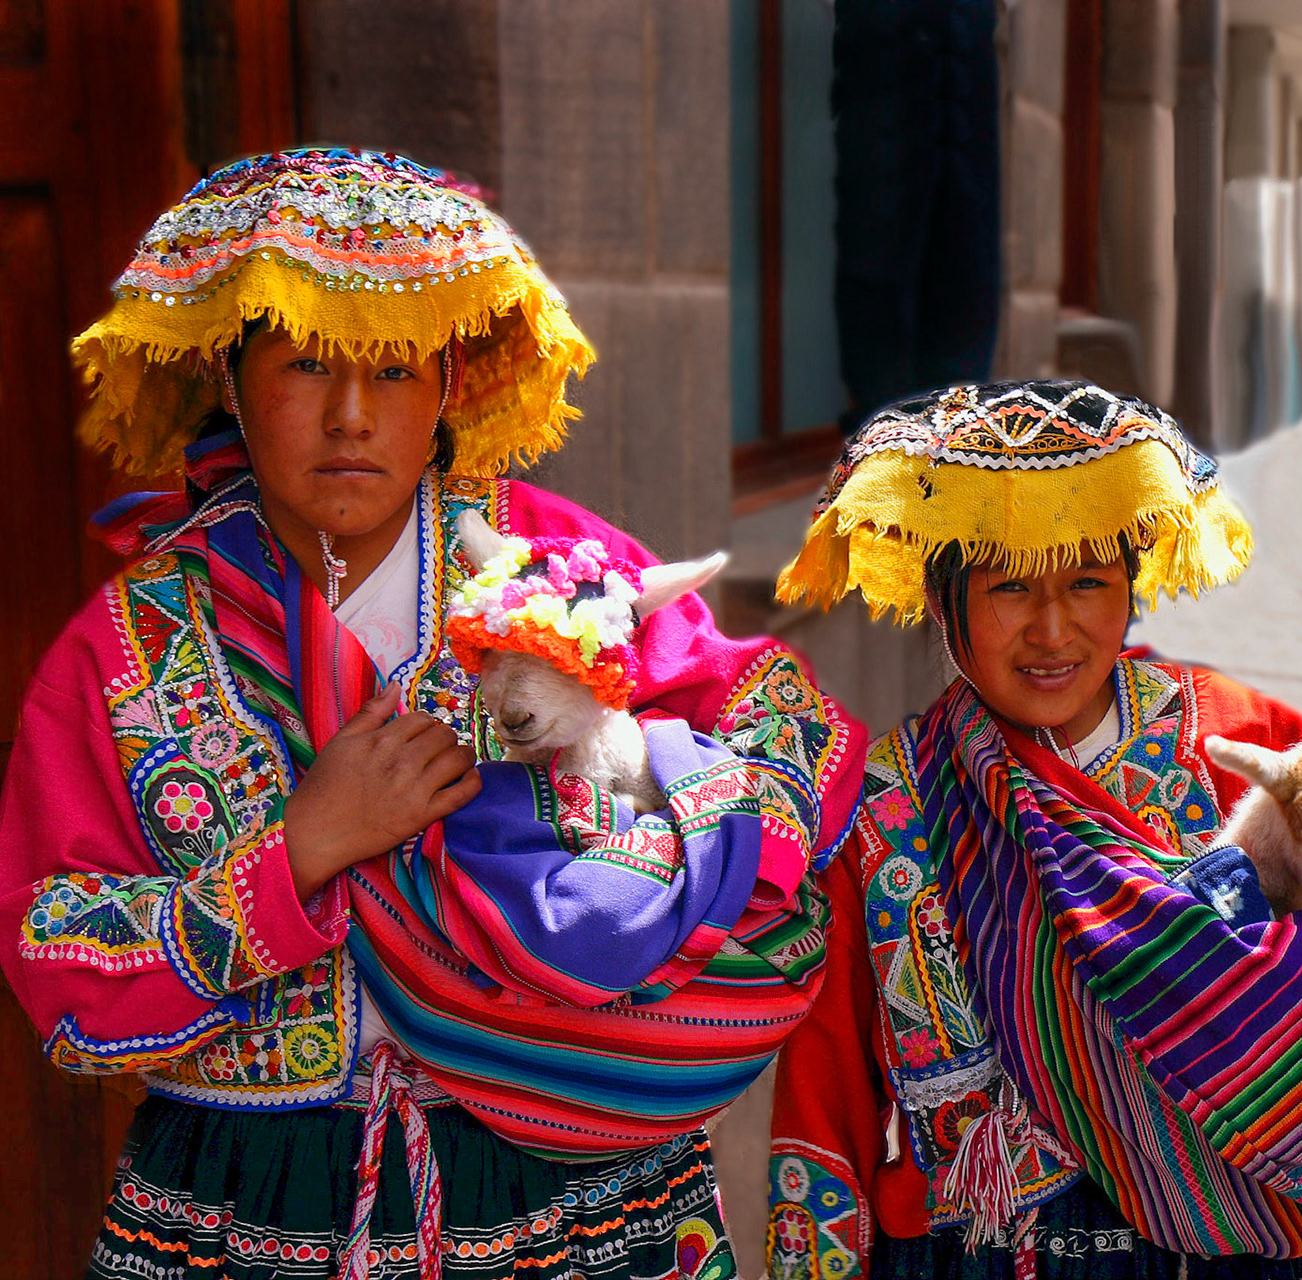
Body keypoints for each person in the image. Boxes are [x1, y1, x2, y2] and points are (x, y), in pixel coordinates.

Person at [0, 149, 863, 1279]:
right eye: (306, 362)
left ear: (450, 384)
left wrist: (665, 868)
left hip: (577, 1184)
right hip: (251, 1194)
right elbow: (59, 948)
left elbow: (789, 724)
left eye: (396, 371)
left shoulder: (552, 561)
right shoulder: (125, 648)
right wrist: (301, 848)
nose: (351, 415)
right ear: (230, 372)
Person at [765, 380, 1302, 1279]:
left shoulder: (1238, 742)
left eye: (1088, 582)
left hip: (1224, 1252)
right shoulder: (885, 803)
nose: (1053, 628)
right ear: (944, 596)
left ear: (1131, 584)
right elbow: (825, 1092)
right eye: (1008, 587)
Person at [831, 0, 1000, 434]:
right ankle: (884, 453)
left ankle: (955, 449)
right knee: (878, 250)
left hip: (965, 33)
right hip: (885, 34)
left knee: (969, 257)